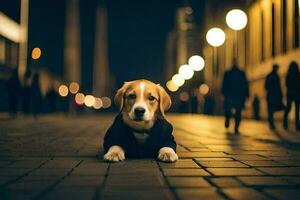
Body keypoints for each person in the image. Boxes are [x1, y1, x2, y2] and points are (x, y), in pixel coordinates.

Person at [222, 63, 249, 134]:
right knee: (238, 112)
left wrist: (224, 94)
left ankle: (228, 120)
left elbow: (224, 85)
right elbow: (245, 85)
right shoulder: (241, 73)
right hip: (238, 96)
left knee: (228, 110)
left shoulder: (227, 73)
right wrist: (246, 95)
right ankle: (236, 127)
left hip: (230, 95)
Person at [264, 64, 285, 130]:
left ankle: (271, 124)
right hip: (274, 96)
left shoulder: (269, 76)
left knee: (270, 111)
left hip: (270, 96)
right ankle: (271, 124)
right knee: (271, 110)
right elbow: (278, 87)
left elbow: (266, 86)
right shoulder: (275, 76)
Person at [283, 61, 300, 130]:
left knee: (289, 108)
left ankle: (285, 123)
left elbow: (287, 84)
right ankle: (297, 126)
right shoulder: (298, 75)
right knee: (296, 110)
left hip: (291, 93)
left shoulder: (288, 75)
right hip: (296, 93)